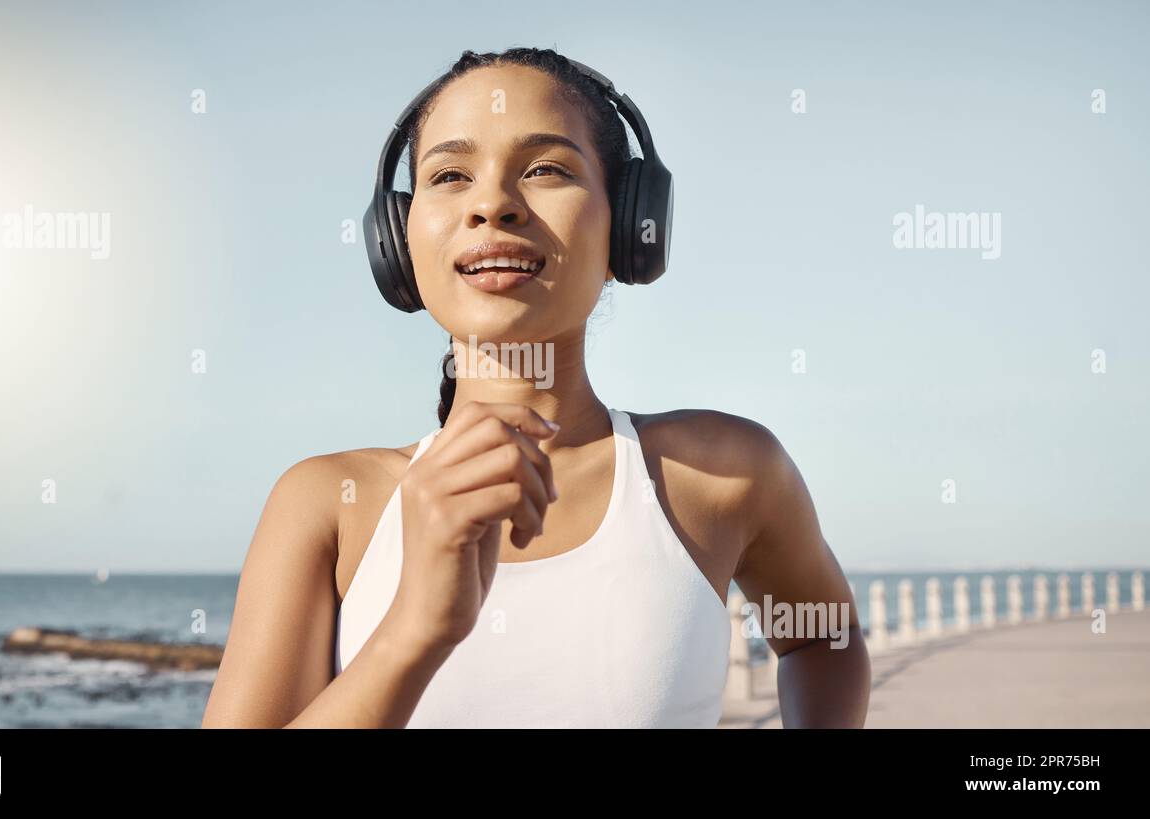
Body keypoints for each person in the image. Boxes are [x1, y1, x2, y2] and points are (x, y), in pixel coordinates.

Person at [202, 47, 869, 728]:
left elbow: (823, 638)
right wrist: (413, 629)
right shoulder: (325, 505)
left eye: (546, 168)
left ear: (631, 226)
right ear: (398, 239)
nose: (491, 203)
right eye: (451, 174)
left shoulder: (720, 473)